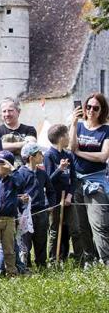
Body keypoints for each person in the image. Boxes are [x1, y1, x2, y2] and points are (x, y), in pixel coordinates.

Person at [70, 92, 109, 266]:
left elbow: (103, 156)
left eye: (95, 108)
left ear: (102, 110)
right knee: (81, 226)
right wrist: (73, 122)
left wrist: (80, 152)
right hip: (77, 181)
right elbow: (72, 147)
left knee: (99, 224)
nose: (91, 110)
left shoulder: (106, 130)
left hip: (96, 182)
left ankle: (105, 260)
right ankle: (89, 259)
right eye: (88, 107)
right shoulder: (78, 126)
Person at [0, 150, 29, 276]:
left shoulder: (14, 180)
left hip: (9, 220)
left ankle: (11, 272)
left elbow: (22, 184)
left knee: (9, 249)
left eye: (0, 163)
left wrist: (13, 170)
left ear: (8, 166)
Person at [17, 143, 57, 269]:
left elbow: (51, 191)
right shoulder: (20, 174)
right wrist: (20, 200)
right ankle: (25, 266)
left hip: (41, 212)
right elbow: (16, 193)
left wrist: (51, 205)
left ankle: (41, 265)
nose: (42, 156)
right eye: (39, 154)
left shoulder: (42, 173)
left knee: (41, 239)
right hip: (26, 214)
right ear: (31, 157)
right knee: (26, 241)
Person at [43, 124, 77, 262]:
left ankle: (69, 257)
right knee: (55, 230)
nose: (69, 137)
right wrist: (60, 169)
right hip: (55, 199)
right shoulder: (49, 155)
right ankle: (54, 259)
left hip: (67, 197)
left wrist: (70, 195)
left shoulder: (68, 154)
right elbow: (48, 180)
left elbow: (73, 178)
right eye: (68, 135)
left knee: (71, 229)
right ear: (61, 137)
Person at [0, 98, 37, 165]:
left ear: (18, 111)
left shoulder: (29, 129)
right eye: (4, 111)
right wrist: (22, 144)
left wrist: (6, 146)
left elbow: (31, 146)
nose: (7, 114)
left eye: (10, 110)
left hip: (25, 172)